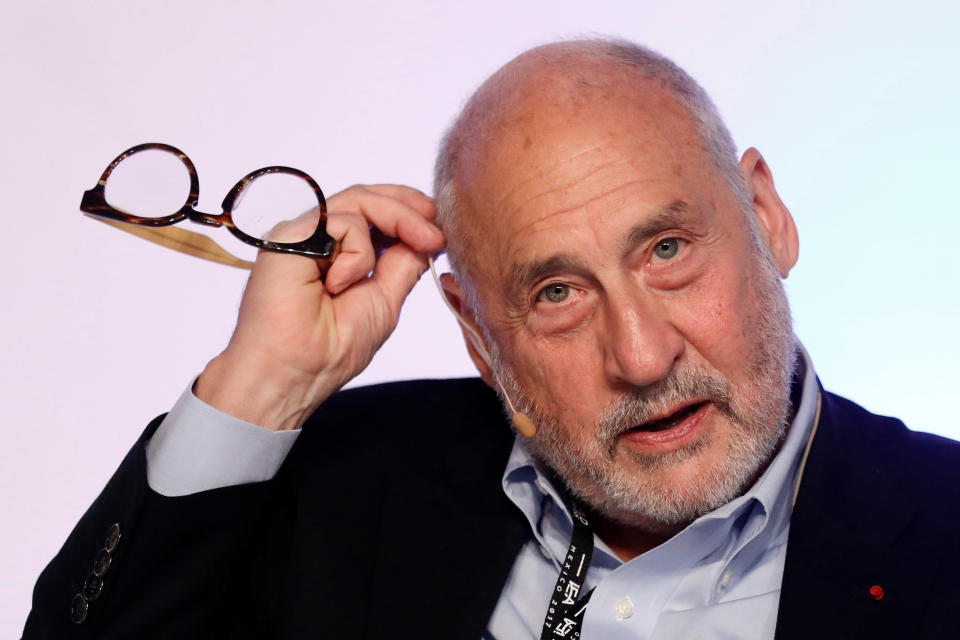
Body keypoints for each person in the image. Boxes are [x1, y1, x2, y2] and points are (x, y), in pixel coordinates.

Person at [23, 38, 960, 639]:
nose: (640, 356)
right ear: (476, 330)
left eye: (667, 249)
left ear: (767, 215)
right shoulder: (343, 482)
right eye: (556, 292)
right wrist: (260, 386)